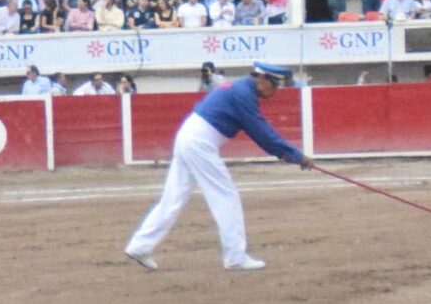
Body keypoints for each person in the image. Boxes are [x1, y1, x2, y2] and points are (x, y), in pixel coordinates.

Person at [124, 60, 307, 271]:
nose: (275, 92)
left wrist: (289, 154)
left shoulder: (240, 88)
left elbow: (262, 133)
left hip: (189, 137)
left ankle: (140, 245)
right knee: (225, 196)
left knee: (173, 197)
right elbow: (262, 133)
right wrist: (295, 155)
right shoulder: (243, 94)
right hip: (200, 143)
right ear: (263, 78)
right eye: (274, 85)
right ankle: (235, 256)